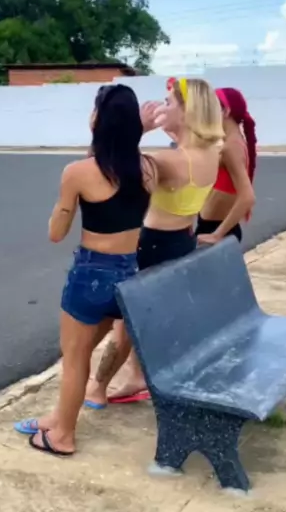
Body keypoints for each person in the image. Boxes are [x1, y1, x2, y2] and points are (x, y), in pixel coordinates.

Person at [13, 83, 158, 457]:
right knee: (81, 353)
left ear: (98, 121)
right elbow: (120, 159)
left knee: (75, 359)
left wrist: (64, 204)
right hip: (128, 272)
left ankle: (63, 434)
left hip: (91, 274)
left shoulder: (78, 172)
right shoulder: (148, 168)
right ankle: (57, 417)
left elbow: (56, 233)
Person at [85, 77, 225, 407]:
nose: (162, 108)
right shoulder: (209, 153)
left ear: (188, 112)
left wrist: (138, 130)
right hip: (180, 241)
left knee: (123, 325)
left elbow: (100, 167)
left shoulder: (168, 161)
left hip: (151, 246)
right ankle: (135, 376)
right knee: (139, 320)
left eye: (169, 103)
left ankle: (97, 389)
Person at [196, 87, 257, 244]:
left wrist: (217, 235)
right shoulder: (231, 141)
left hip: (215, 229)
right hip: (210, 226)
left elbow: (247, 197)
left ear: (226, 111)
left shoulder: (232, 147)